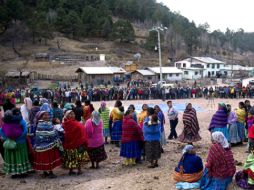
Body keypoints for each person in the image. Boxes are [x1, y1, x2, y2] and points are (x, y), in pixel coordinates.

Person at [0, 109, 32, 178]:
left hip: (10, 142)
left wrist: (7, 138)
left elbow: (1, 130)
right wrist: (19, 137)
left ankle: (13, 173)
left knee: (11, 158)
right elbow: (25, 131)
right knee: (21, 157)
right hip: (20, 142)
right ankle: (22, 172)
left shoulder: (6, 121)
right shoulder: (20, 120)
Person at [33, 111, 62, 178]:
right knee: (47, 159)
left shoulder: (48, 123)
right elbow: (50, 133)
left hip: (44, 145)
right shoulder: (40, 124)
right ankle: (49, 172)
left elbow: (51, 132)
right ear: (41, 116)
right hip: (46, 145)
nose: (47, 116)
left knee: (46, 159)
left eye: (48, 115)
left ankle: (47, 172)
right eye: (44, 115)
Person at [62, 110, 89, 175]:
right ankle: (71, 170)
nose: (72, 115)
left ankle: (79, 170)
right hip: (69, 142)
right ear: (66, 116)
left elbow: (82, 130)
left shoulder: (75, 123)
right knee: (71, 157)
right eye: (70, 114)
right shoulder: (65, 123)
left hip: (77, 142)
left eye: (73, 114)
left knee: (77, 157)